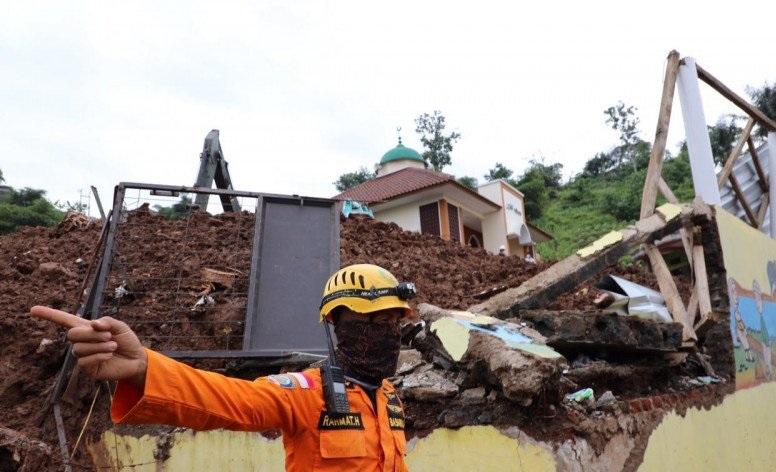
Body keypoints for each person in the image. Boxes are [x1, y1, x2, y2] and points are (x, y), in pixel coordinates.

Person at [31, 264, 414, 471]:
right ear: (335, 326)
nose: (386, 334)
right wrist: (145, 367)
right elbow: (232, 400)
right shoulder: (306, 392)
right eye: (371, 323)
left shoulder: (389, 398)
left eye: (391, 324)